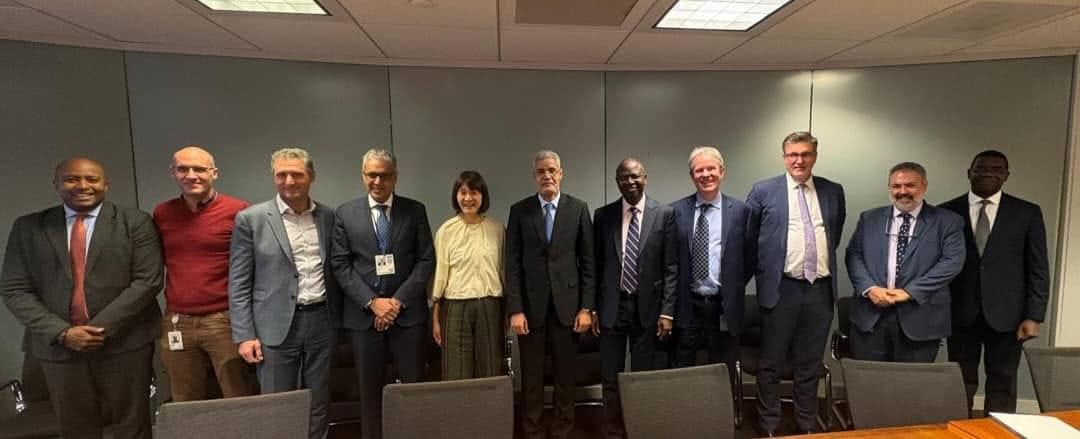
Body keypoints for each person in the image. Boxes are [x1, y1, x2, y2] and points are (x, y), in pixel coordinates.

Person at [0, 158, 164, 439]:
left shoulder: (135, 222)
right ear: (56, 184)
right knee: (75, 429)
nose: (83, 185)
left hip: (126, 343)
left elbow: (148, 280)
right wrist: (63, 333)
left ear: (106, 184)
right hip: (59, 348)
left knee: (133, 426)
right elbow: (15, 288)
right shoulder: (29, 227)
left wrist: (98, 329)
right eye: (72, 179)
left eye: (92, 179)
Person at [228, 148, 342, 438]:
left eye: (297, 174)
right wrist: (245, 335)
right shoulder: (251, 219)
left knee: (319, 400)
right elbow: (239, 282)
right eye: (282, 174)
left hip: (322, 320)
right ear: (273, 177)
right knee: (277, 403)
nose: (289, 181)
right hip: (273, 326)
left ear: (311, 176)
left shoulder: (328, 216)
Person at [746, 131, 846, 435]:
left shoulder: (832, 190)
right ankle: (769, 425)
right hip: (781, 289)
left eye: (805, 154)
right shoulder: (764, 190)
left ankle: (806, 425)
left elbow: (834, 234)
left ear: (815, 156)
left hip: (820, 290)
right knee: (771, 363)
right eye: (792, 154)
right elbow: (750, 238)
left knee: (809, 364)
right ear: (784, 157)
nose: (798, 160)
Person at [331, 148, 434, 439]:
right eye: (372, 175)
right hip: (364, 318)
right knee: (369, 394)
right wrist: (372, 302)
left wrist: (396, 302)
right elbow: (340, 264)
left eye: (384, 175)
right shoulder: (345, 214)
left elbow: (426, 260)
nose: (378, 181)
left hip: (408, 317)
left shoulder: (415, 210)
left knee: (413, 391)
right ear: (363, 175)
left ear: (395, 177)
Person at [941, 150, 1049, 415]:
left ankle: (998, 430)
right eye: (981, 168)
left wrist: (1034, 315)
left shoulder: (1026, 213)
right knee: (959, 380)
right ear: (969, 173)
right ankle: (959, 429)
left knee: (1003, 380)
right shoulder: (945, 211)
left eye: (997, 169)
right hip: (959, 312)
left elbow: (1038, 268)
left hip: (1008, 315)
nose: (988, 173)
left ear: (1006, 176)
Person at [153, 145, 258, 401]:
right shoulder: (162, 213)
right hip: (177, 321)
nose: (191, 175)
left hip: (225, 319)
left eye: (199, 169)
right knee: (185, 400)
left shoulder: (239, 210)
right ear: (173, 173)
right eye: (183, 169)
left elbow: (254, 267)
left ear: (214, 173)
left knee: (240, 397)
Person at [505, 150, 595, 439]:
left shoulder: (578, 209)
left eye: (552, 170)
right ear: (534, 176)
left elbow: (589, 263)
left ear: (561, 173)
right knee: (531, 377)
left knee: (565, 376)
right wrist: (515, 309)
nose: (547, 175)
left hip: (567, 308)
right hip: (530, 309)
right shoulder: (520, 211)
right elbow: (512, 264)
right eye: (541, 171)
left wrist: (586, 308)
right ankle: (532, 431)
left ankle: (562, 430)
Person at [591, 157, 677, 438]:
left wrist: (667, 311)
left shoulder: (664, 214)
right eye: (623, 177)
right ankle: (613, 432)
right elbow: (595, 265)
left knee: (642, 377)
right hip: (612, 306)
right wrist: (593, 308)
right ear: (616, 182)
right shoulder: (603, 216)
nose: (629, 182)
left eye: (635, 176)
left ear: (645, 178)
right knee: (610, 377)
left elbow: (671, 267)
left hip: (647, 308)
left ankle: (641, 430)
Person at [846, 162, 965, 362]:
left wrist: (909, 292)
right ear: (889, 187)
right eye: (896, 186)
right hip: (871, 316)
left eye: (910, 185)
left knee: (912, 380)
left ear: (924, 186)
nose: (902, 192)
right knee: (868, 379)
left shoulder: (948, 221)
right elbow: (854, 255)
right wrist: (869, 288)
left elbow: (952, 262)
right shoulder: (870, 218)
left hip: (921, 317)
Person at [671, 147, 756, 377]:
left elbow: (750, 257)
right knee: (682, 370)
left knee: (722, 371)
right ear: (692, 175)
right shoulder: (676, 211)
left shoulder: (741, 211)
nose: (706, 174)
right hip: (687, 304)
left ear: (722, 171)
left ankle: (722, 404)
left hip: (724, 305)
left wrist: (733, 284)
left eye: (711, 168)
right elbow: (670, 260)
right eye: (699, 170)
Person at [430, 170, 505, 380]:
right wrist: (435, 318)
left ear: (483, 196)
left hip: (489, 306)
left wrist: (508, 312)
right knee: (456, 374)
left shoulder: (498, 230)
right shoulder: (446, 231)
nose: (468, 198)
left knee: (490, 372)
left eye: (474, 192)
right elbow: (438, 277)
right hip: (454, 307)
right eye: (463, 192)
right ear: (456, 195)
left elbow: (504, 273)